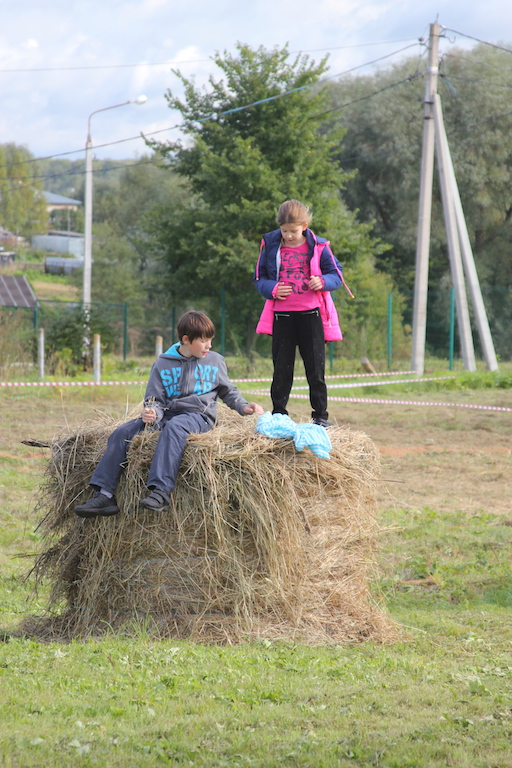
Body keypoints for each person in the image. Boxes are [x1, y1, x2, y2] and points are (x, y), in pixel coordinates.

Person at [74, 310, 264, 518]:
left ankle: (161, 492)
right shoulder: (162, 364)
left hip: (198, 415)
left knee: (175, 428)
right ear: (186, 340)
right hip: (166, 414)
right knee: (122, 432)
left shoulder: (215, 361)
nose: (209, 345)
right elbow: (154, 399)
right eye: (203, 341)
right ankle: (105, 495)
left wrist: (244, 407)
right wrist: (151, 412)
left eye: (210, 340)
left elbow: (228, 391)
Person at [254, 199, 345, 427]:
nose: (288, 236)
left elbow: (337, 275)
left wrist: (322, 281)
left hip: (311, 315)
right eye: (284, 231)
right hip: (282, 316)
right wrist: (272, 288)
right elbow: (259, 278)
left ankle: (320, 416)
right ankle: (279, 415)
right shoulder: (270, 245)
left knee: (315, 369)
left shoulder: (320, 247)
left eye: (293, 231)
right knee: (281, 369)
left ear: (304, 226)